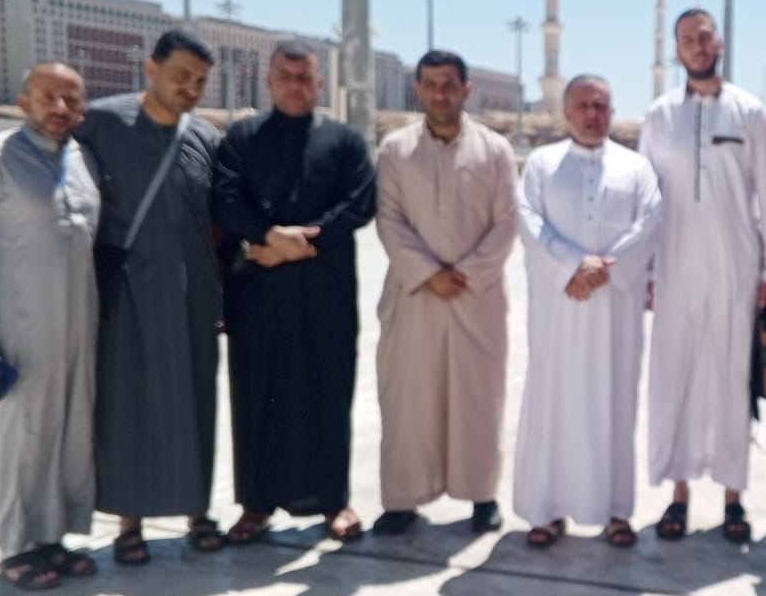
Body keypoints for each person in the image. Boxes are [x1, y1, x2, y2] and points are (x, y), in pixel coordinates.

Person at [212, 40, 376, 543]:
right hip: (258, 288)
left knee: (328, 390)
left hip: (325, 287)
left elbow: (359, 202)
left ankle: (333, 499)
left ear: (319, 83)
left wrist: (297, 244)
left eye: (304, 77)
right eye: (285, 76)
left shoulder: (345, 141)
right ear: (269, 82)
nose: (295, 85)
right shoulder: (243, 137)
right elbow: (225, 198)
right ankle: (256, 504)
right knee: (257, 391)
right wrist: (268, 236)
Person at [0, 63, 100, 588]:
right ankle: (15, 547)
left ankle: (50, 537)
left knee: (65, 430)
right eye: (49, 97)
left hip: (76, 323)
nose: (60, 108)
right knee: (16, 437)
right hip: (13, 325)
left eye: (71, 100)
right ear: (23, 101)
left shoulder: (82, 160)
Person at [73, 29, 223, 564]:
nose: (190, 89)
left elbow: (221, 220)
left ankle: (198, 513)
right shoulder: (100, 123)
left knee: (196, 403)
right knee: (129, 404)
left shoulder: (205, 136)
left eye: (200, 81)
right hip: (128, 294)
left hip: (193, 296)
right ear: (151, 68)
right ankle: (129, 523)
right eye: (181, 75)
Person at [637, 8, 766, 543]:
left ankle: (732, 498)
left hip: (734, 265)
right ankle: (678, 496)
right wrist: (645, 268)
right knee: (674, 376)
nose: (698, 46)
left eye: (704, 36)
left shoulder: (748, 111)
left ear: (718, 42)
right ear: (676, 50)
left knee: (728, 377)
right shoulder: (660, 115)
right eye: (687, 39)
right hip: (674, 264)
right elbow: (645, 196)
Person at [513, 76, 663, 548]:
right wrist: (574, 265)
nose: (592, 114)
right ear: (566, 112)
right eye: (583, 106)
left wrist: (603, 269)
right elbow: (529, 222)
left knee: (614, 403)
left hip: (616, 309)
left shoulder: (636, 168)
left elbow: (651, 222)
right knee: (554, 402)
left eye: (601, 106)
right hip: (560, 309)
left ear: (611, 111)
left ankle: (616, 512)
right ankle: (547, 510)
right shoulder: (542, 164)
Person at [373, 51, 518, 537]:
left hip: (476, 298)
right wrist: (429, 273)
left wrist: (468, 273)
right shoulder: (396, 150)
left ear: (465, 90)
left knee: (477, 398)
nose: (440, 94)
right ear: (418, 89)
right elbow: (389, 219)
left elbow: (507, 222)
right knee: (409, 400)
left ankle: (481, 494)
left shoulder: (495, 150)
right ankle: (403, 498)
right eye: (431, 84)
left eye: (449, 85)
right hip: (415, 296)